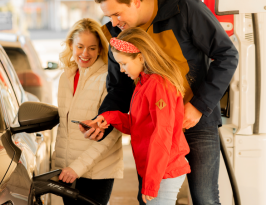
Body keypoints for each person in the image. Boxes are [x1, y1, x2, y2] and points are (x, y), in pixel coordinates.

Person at [79, 0, 239, 204]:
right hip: (152, 131)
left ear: (136, 2)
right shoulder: (117, 32)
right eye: (108, 16)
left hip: (196, 121)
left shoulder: (185, 8)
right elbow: (119, 88)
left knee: (205, 198)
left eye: (117, 14)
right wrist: (104, 119)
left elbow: (227, 55)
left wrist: (199, 106)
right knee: (149, 196)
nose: (113, 22)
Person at [94, 27, 191, 204]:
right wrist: (108, 117)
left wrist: (151, 183)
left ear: (140, 57)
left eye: (123, 64)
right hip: (157, 170)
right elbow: (138, 125)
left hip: (164, 171)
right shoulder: (144, 83)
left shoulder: (158, 84)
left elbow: (162, 134)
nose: (121, 70)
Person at [51, 18, 123, 205]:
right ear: (70, 45)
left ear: (100, 48)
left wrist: (77, 168)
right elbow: (64, 126)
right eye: (80, 46)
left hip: (96, 173)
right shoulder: (65, 77)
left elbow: (111, 133)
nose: (85, 53)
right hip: (68, 171)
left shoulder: (108, 78)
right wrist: (61, 166)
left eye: (92, 47)